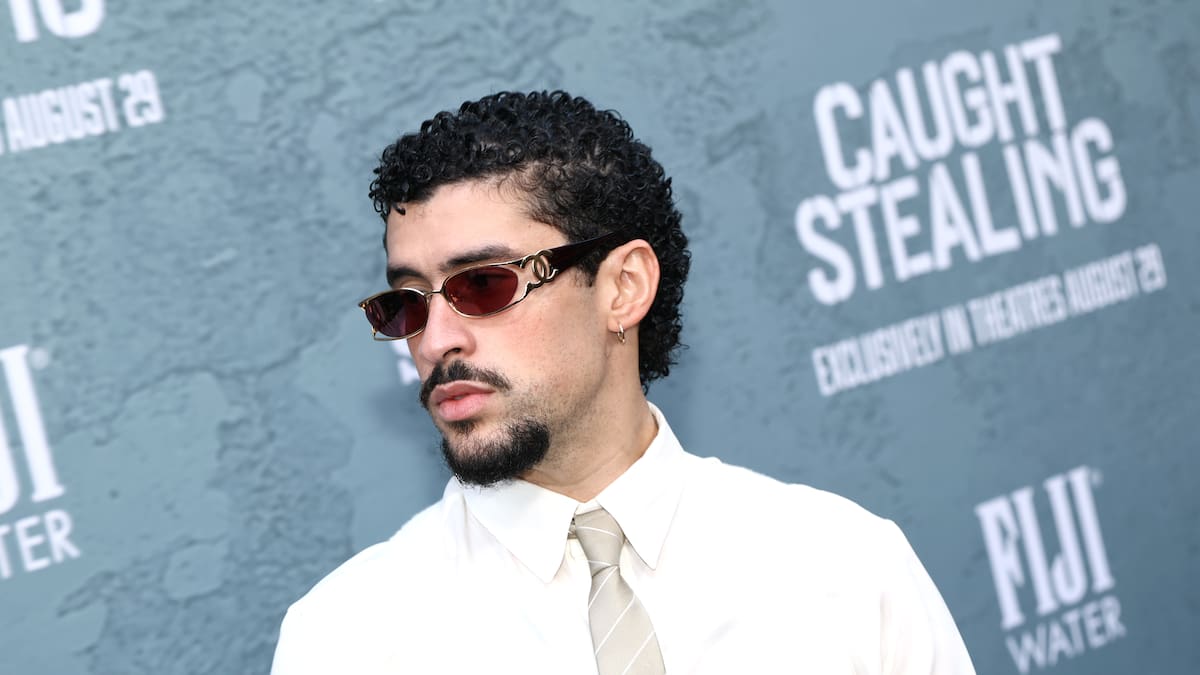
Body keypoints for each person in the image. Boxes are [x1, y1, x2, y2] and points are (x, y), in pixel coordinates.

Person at [271, 90, 976, 674]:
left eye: (482, 284)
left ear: (623, 287)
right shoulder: (346, 641)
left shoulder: (846, 568)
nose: (434, 341)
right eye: (407, 304)